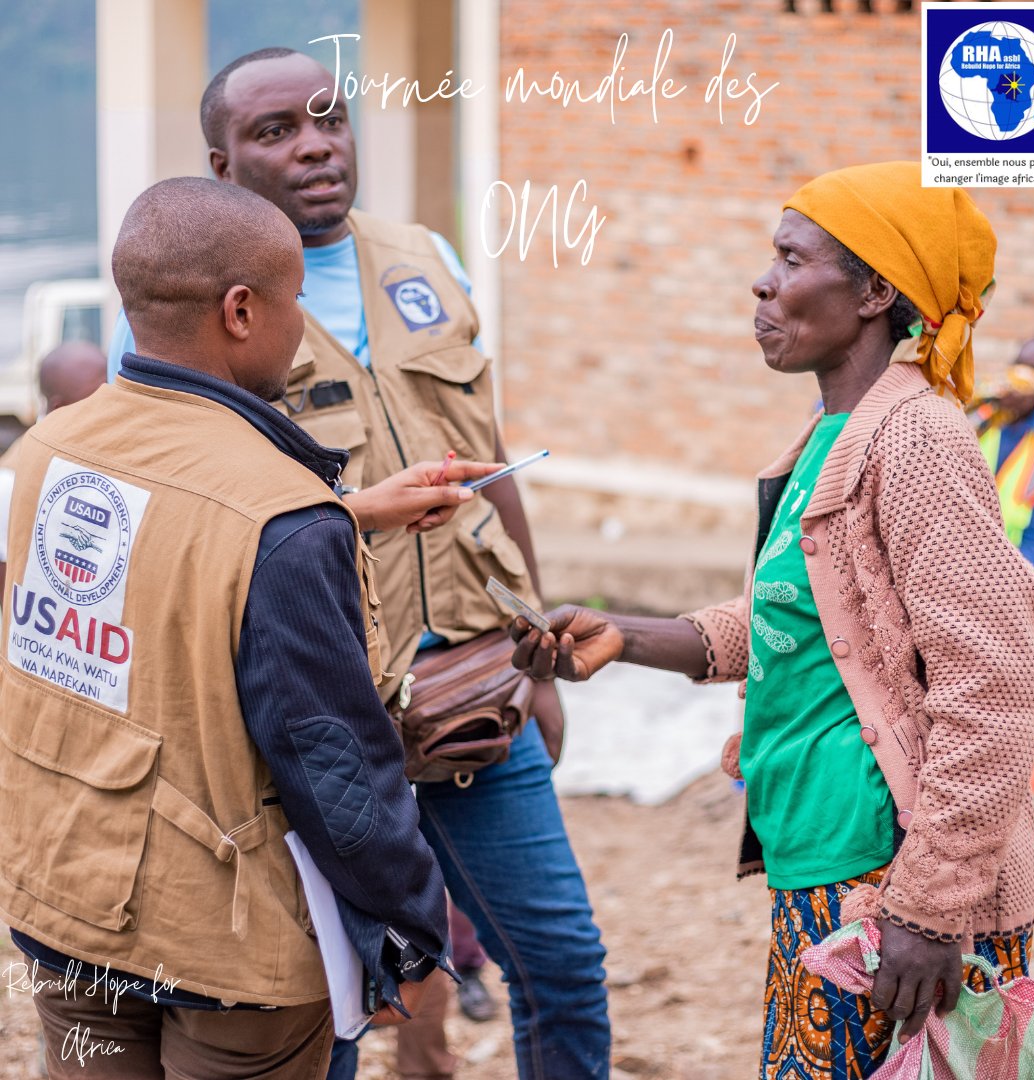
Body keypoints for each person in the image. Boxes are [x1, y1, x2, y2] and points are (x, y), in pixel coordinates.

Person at [108, 47, 609, 1080]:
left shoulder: (422, 254)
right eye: (276, 131)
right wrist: (350, 513)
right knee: (327, 997)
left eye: (330, 118)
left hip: (476, 682)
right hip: (315, 708)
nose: (317, 147)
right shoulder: (196, 306)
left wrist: (534, 638)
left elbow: (489, 458)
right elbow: (189, 512)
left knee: (562, 961)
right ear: (222, 161)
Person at [511, 162, 1034, 1080]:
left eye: (791, 259)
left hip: (889, 879)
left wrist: (926, 912)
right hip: (827, 865)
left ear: (876, 291)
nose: (763, 282)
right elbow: (801, 617)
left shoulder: (916, 440)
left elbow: (995, 690)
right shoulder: (833, 436)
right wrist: (628, 636)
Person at [0, 176, 466, 1078]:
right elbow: (335, 766)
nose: (301, 327)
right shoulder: (282, 516)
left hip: (62, 908)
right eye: (297, 302)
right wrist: (411, 918)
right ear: (243, 311)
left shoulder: (45, 451)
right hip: (226, 954)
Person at [0, 341, 107, 595]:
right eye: (96, 397)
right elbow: (9, 594)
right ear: (60, 408)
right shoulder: (11, 479)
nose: (109, 406)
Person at [971, 336, 1034, 570]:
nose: (1020, 377)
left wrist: (1026, 576)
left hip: (999, 566)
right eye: (1019, 364)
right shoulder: (976, 414)